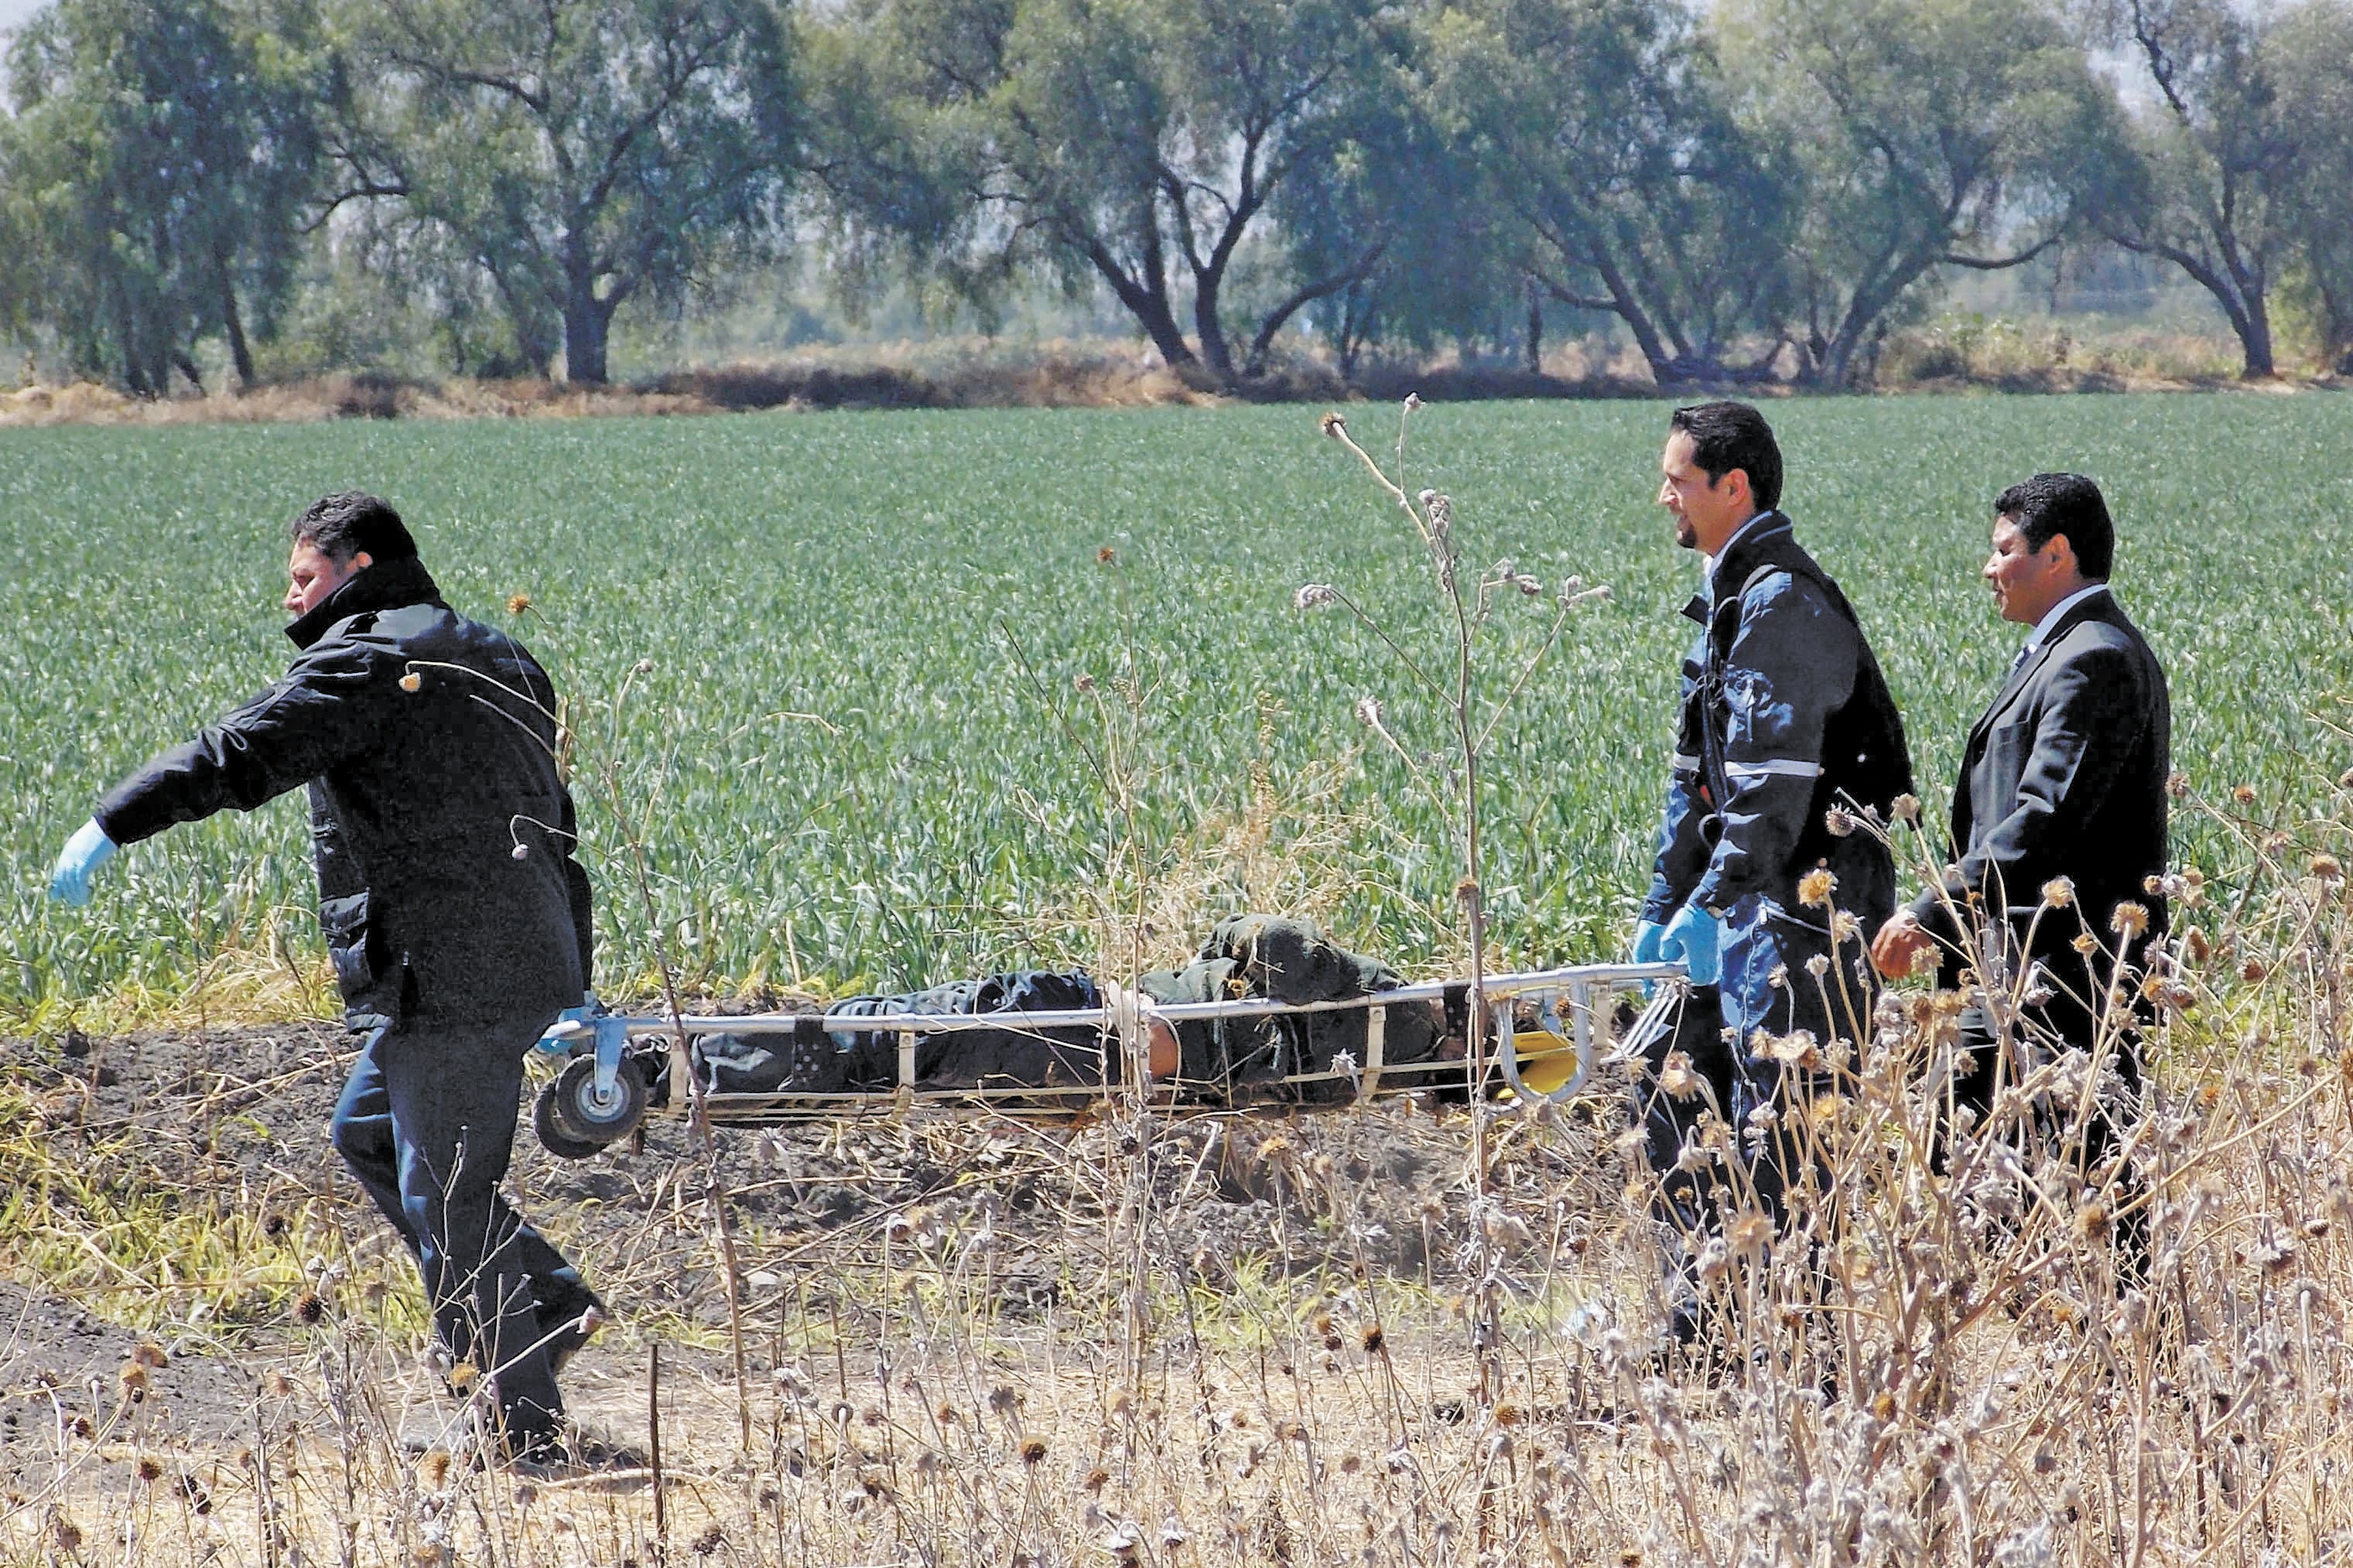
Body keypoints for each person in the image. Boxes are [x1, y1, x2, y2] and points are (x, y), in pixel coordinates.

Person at [48, 493, 604, 1466]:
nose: (289, 598)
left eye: (301, 578)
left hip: (453, 970)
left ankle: (523, 1424)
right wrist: (569, 973)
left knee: (448, 1193)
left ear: (354, 567)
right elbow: (555, 825)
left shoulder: (369, 661)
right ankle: (544, 1296)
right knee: (369, 1132)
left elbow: (240, 752)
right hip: (505, 957)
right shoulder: (499, 656)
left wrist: (112, 821)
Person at [1633, 401, 1913, 1347]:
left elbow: (1769, 794)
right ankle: (1705, 1328)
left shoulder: (1781, 603)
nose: (1661, 494)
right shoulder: (1726, 596)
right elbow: (1696, 780)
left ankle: (1800, 1348)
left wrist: (1711, 903)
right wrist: (1664, 904)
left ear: (1732, 487)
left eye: (1676, 479)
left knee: (1783, 1122)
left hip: (1808, 906)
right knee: (1667, 1084)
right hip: (1740, 900)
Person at [1869, 473, 2168, 1264]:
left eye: (2003, 550)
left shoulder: (2091, 658)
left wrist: (1929, 910)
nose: (1987, 567)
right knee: (1981, 1161)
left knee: (2081, 1185)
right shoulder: (2064, 651)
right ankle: (2065, 1355)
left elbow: (2042, 818)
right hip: (2010, 970)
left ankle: (2128, 1371)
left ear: (2057, 554)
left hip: (2066, 982)